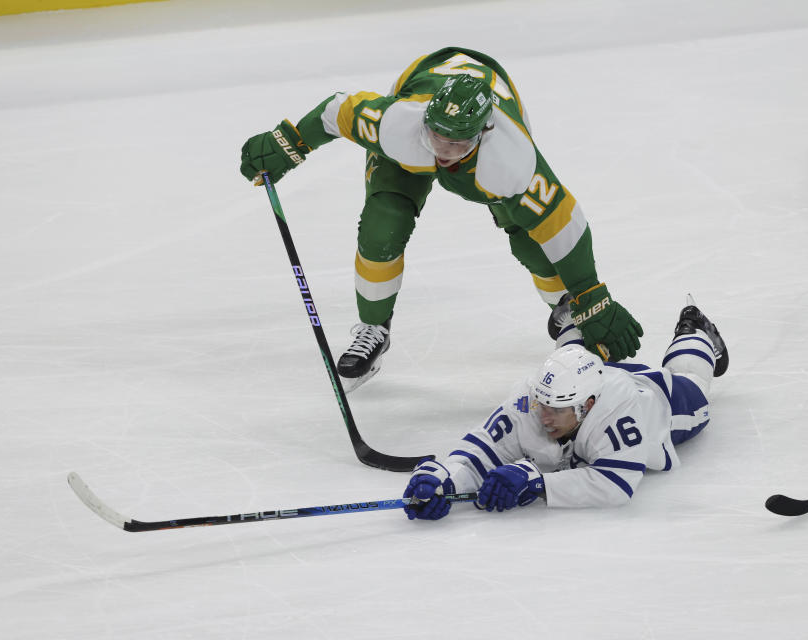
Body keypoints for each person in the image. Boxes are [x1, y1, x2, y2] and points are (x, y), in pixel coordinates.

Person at [240, 47, 643, 391]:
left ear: (484, 132)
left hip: (491, 141)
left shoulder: (508, 158)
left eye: (457, 142)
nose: (444, 151)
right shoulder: (401, 123)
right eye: (437, 136)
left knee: (528, 235)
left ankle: (566, 308)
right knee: (383, 226)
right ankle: (374, 329)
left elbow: (562, 222)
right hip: (420, 93)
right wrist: (289, 142)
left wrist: (589, 295)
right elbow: (336, 111)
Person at [402, 296, 729, 520]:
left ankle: (694, 329)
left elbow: (615, 484)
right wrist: (447, 481)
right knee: (571, 360)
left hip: (658, 399)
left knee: (692, 382)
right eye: (542, 404)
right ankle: (572, 323)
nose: (544, 417)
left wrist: (539, 484)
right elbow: (480, 452)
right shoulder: (530, 399)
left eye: (556, 410)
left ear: (587, 406)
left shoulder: (621, 411)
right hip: (589, 378)